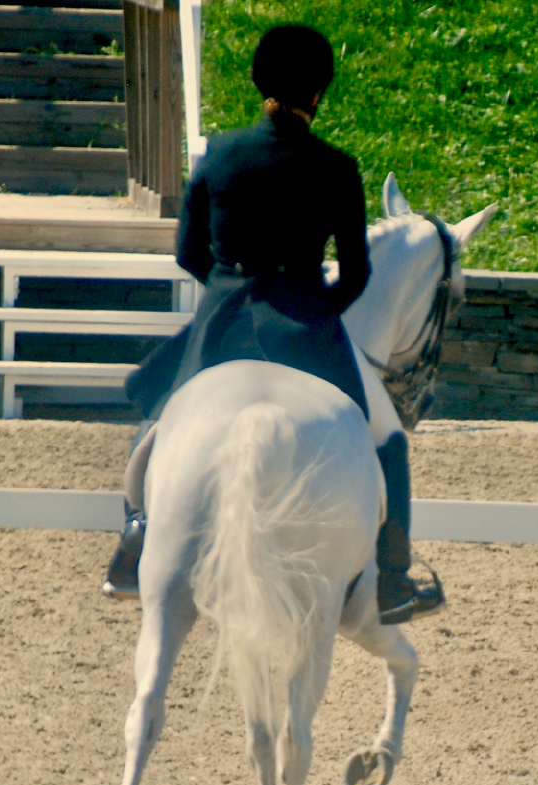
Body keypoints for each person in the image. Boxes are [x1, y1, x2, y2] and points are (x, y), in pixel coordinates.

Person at [103, 24, 443, 625]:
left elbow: (188, 253)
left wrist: (227, 290)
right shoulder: (337, 167)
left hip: (224, 322)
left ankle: (136, 536)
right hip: (304, 325)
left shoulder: (218, 155)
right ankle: (392, 576)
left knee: (160, 416)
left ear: (261, 81)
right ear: (317, 93)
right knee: (386, 437)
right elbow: (357, 275)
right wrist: (316, 308)